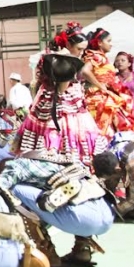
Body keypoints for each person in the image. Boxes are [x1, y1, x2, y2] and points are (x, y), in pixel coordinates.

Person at [0, 151, 114, 267]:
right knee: (70, 193)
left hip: (83, 220)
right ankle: (82, 250)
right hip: (108, 216)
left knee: (13, 190)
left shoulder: (15, 165)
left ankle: (48, 254)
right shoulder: (63, 160)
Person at [13, 23, 99, 169]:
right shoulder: (61, 59)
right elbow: (60, 86)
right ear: (68, 44)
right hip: (59, 101)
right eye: (79, 49)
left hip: (66, 100)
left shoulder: (59, 57)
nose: (81, 53)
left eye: (84, 49)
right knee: (59, 129)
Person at [82, 28, 134, 148]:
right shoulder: (97, 56)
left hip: (104, 99)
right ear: (100, 43)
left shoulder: (101, 57)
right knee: (102, 132)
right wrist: (100, 85)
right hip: (99, 100)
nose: (111, 44)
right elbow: (85, 71)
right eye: (109, 40)